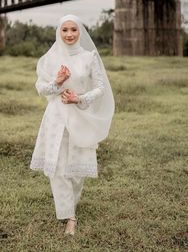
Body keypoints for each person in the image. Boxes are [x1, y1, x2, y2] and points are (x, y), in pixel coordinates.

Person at [30, 14, 115, 235]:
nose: (69, 34)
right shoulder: (51, 57)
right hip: (55, 118)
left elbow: (100, 87)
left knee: (76, 169)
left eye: (73, 30)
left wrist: (80, 98)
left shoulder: (89, 57)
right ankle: (70, 216)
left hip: (79, 117)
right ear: (59, 32)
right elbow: (40, 88)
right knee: (57, 168)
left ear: (80, 32)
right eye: (65, 30)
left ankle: (72, 203)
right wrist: (56, 82)